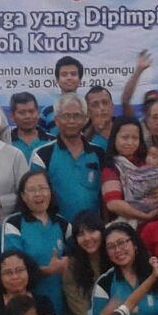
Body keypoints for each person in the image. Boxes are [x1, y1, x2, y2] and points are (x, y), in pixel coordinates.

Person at [1, 171, 70, 315]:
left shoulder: (63, 224)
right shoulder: (13, 224)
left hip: (60, 304)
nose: (38, 194)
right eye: (32, 190)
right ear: (23, 196)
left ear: (50, 191)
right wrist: (47, 270)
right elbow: (10, 267)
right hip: (25, 307)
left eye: (43, 188)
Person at [29, 93, 105, 223]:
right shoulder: (42, 155)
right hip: (57, 229)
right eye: (66, 116)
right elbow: (35, 198)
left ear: (85, 119)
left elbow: (105, 196)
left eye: (77, 116)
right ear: (56, 120)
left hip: (93, 231)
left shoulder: (98, 153)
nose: (71, 121)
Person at [101, 115, 158, 225]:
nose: (130, 143)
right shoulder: (111, 168)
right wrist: (145, 216)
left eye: (135, 138)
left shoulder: (148, 162)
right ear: (114, 138)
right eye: (125, 137)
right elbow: (113, 204)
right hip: (128, 226)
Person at [62, 210, 107, 315]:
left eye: (92, 231)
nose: (87, 238)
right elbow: (80, 308)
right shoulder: (71, 266)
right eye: (81, 234)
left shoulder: (114, 255)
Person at [39, 56, 84, 134]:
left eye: (73, 74)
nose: (69, 78)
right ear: (57, 80)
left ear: (80, 79)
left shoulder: (87, 107)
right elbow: (41, 136)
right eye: (64, 75)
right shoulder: (48, 110)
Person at [9, 91, 51, 161]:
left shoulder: (52, 141)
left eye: (31, 111)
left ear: (38, 113)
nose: (27, 116)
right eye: (22, 113)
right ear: (12, 116)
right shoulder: (5, 141)